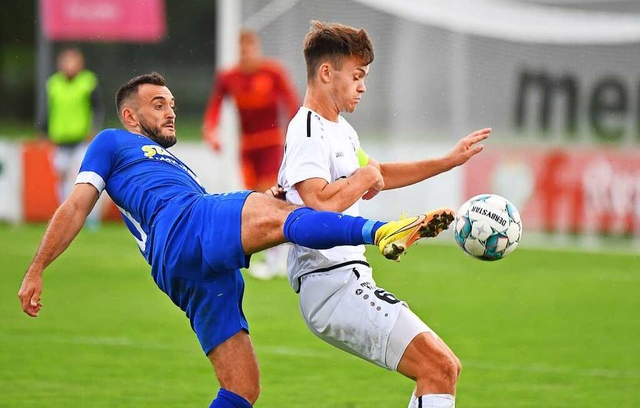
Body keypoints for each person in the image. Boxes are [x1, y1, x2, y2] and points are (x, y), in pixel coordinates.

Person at [18, 72, 457, 408]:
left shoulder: (172, 165)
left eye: (171, 104)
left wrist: (261, 206)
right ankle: (381, 230)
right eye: (157, 105)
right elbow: (77, 204)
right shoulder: (112, 142)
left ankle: (344, 224)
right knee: (284, 216)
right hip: (183, 227)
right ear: (130, 116)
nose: (170, 111)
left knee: (242, 387)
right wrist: (37, 268)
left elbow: (223, 216)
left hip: (188, 268)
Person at [277, 21, 492, 408]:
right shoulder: (307, 130)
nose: (363, 86)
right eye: (357, 76)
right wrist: (364, 176)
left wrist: (448, 161)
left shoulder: (340, 130)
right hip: (328, 284)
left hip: (348, 279)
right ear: (327, 72)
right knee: (440, 367)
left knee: (442, 369)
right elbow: (318, 204)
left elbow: (380, 175)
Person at [202, 29, 300, 280]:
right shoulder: (229, 76)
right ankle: (283, 246)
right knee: (255, 199)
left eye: (250, 48)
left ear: (256, 48)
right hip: (247, 147)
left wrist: (298, 134)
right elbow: (215, 106)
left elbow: (292, 104)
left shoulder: (273, 72)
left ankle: (275, 258)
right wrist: (211, 131)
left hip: (270, 144)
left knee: (268, 195)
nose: (246, 53)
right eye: (242, 49)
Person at [38, 47, 105, 227]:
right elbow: (48, 110)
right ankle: (65, 214)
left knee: (86, 179)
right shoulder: (54, 83)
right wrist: (44, 131)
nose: (69, 65)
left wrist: (94, 130)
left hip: (82, 139)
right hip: (60, 140)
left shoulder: (88, 82)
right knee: (61, 176)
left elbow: (97, 109)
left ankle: (90, 218)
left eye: (73, 61)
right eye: (66, 61)